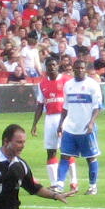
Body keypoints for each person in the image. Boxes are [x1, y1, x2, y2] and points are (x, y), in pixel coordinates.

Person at [56, 58, 104, 195]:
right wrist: (61, 124)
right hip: (70, 127)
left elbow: (98, 107)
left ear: (86, 69)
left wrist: (91, 123)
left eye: (83, 68)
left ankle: (92, 186)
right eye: (77, 68)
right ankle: (59, 184)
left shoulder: (92, 85)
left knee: (91, 157)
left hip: (86, 128)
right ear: (73, 69)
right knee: (65, 155)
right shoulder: (68, 85)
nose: (80, 70)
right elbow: (65, 107)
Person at [29, 56, 68, 188]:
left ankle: (73, 182)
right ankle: (54, 183)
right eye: (49, 65)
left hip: (65, 116)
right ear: (46, 67)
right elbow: (40, 105)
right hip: (50, 118)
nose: (51, 67)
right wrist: (34, 124)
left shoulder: (66, 80)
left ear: (58, 66)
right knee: (51, 151)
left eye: (54, 65)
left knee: (67, 150)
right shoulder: (42, 84)